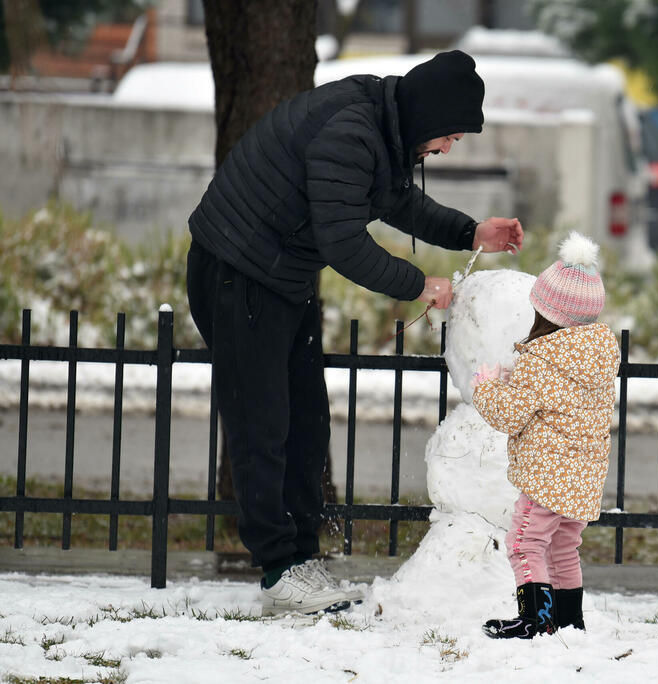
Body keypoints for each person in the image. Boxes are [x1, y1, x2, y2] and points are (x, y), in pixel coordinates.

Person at [185, 50, 523, 616]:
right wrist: (417, 284)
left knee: (306, 422)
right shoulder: (350, 129)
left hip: (281, 276)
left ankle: (300, 559)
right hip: (238, 273)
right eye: (450, 137)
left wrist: (470, 233)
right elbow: (343, 241)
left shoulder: (384, 127)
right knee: (263, 424)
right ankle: (278, 570)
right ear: (428, 117)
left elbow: (395, 202)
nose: (447, 148)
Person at [471, 232, 620, 639]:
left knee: (524, 541)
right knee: (562, 547)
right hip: (583, 478)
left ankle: (536, 620)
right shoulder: (599, 357)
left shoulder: (543, 360)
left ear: (545, 309)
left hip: (547, 476)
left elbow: (508, 413)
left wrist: (486, 386)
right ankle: (570, 620)